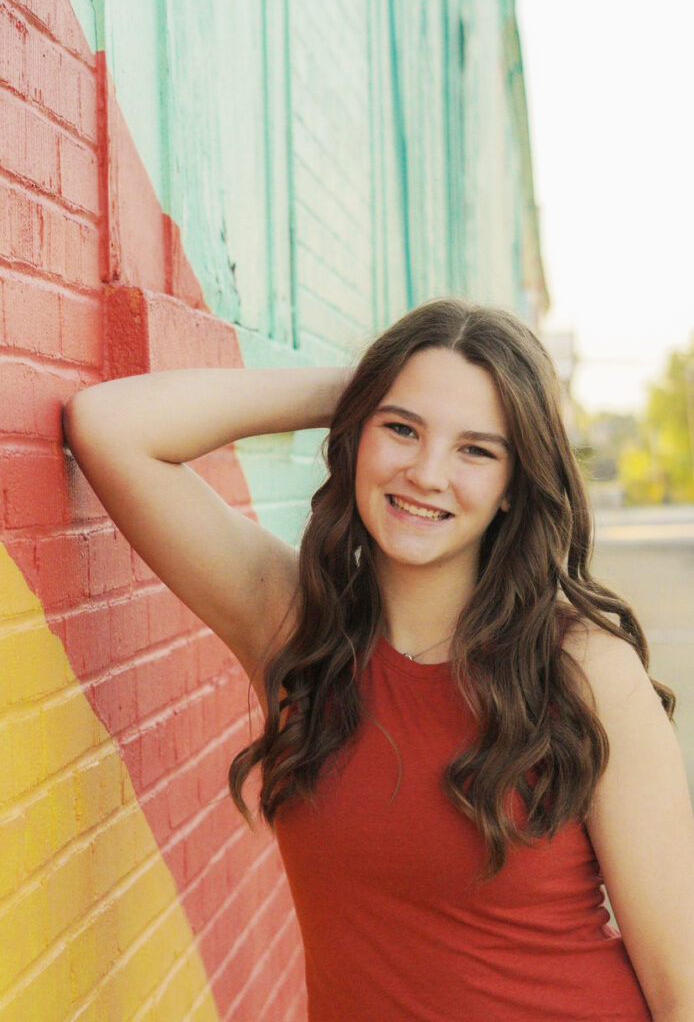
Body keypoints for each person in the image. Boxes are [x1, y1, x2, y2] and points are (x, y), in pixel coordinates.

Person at [63, 298, 694, 1021]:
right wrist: (364, 386)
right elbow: (109, 425)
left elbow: (681, 986)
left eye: (476, 450)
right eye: (401, 429)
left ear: (512, 487)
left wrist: (401, 400)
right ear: (357, 434)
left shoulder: (583, 668)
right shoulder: (294, 631)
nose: (427, 473)